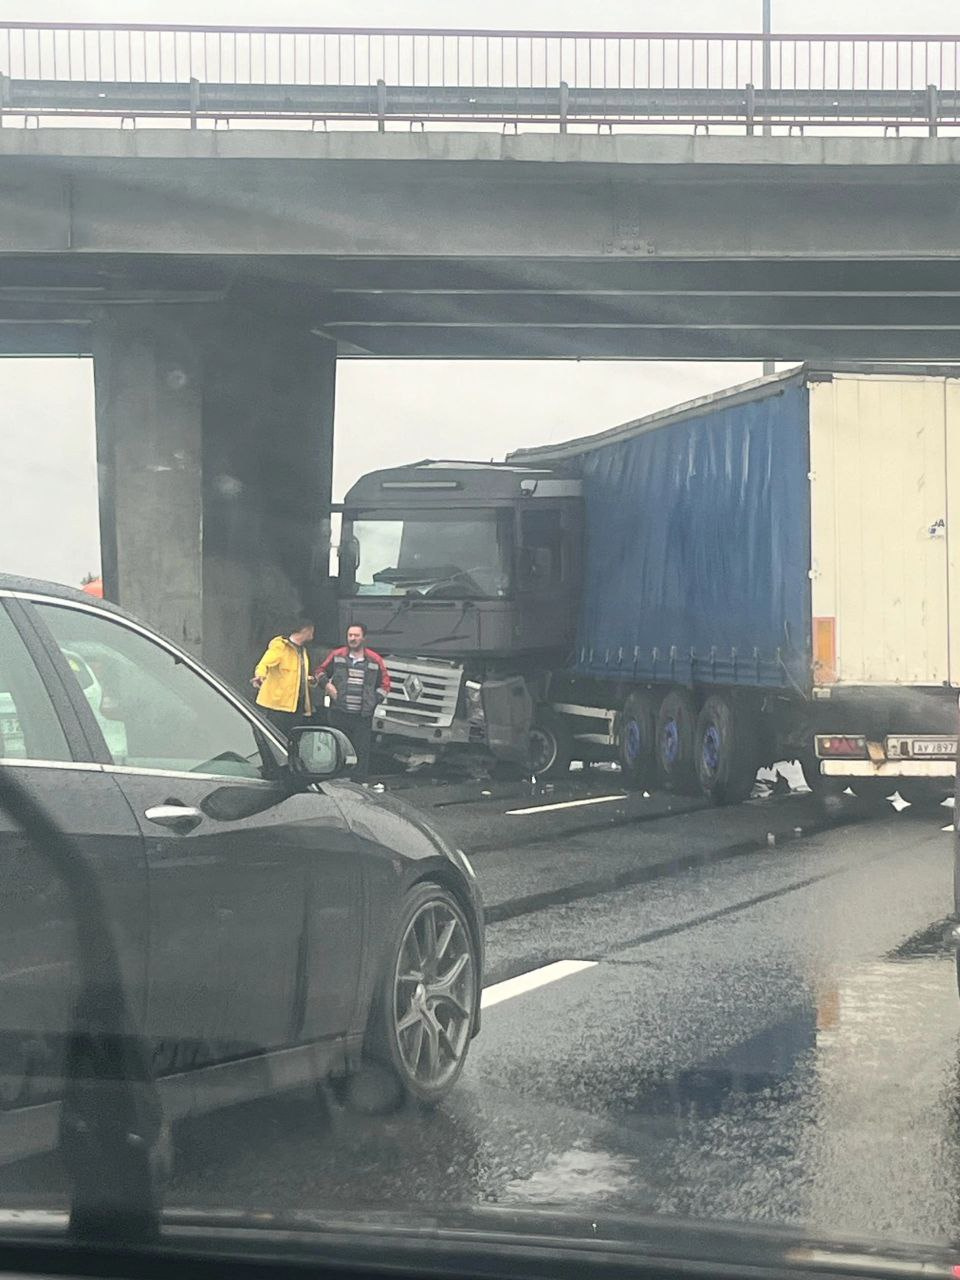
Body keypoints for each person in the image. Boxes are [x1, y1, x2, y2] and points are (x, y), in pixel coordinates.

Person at [315, 623, 391, 782]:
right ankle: (335, 782)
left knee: (361, 753)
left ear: (364, 638)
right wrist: (327, 686)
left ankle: (358, 784)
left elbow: (385, 685)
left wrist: (373, 701)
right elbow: (320, 671)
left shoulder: (375, 660)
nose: (352, 639)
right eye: (350, 635)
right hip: (339, 713)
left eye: (356, 635)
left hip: (362, 716)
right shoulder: (337, 655)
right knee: (337, 749)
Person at [251, 617, 316, 736]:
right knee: (277, 736)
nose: (313, 633)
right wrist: (260, 675)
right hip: (279, 706)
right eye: (312, 630)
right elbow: (264, 663)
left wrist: (308, 680)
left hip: (296, 706)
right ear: (305, 630)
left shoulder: (303, 650)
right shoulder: (280, 646)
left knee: (293, 739)